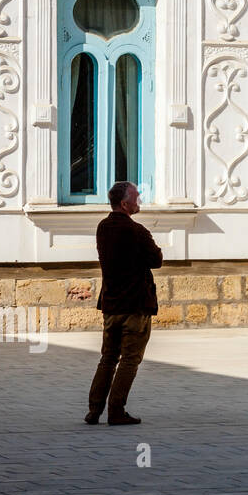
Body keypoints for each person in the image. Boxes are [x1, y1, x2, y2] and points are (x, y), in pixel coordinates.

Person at [86, 181, 162, 426]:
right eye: (136, 197)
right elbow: (156, 260)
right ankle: (116, 410)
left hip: (111, 304)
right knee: (130, 358)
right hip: (135, 305)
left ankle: (94, 410)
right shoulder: (137, 231)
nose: (139, 201)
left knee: (108, 357)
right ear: (124, 203)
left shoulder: (103, 228)